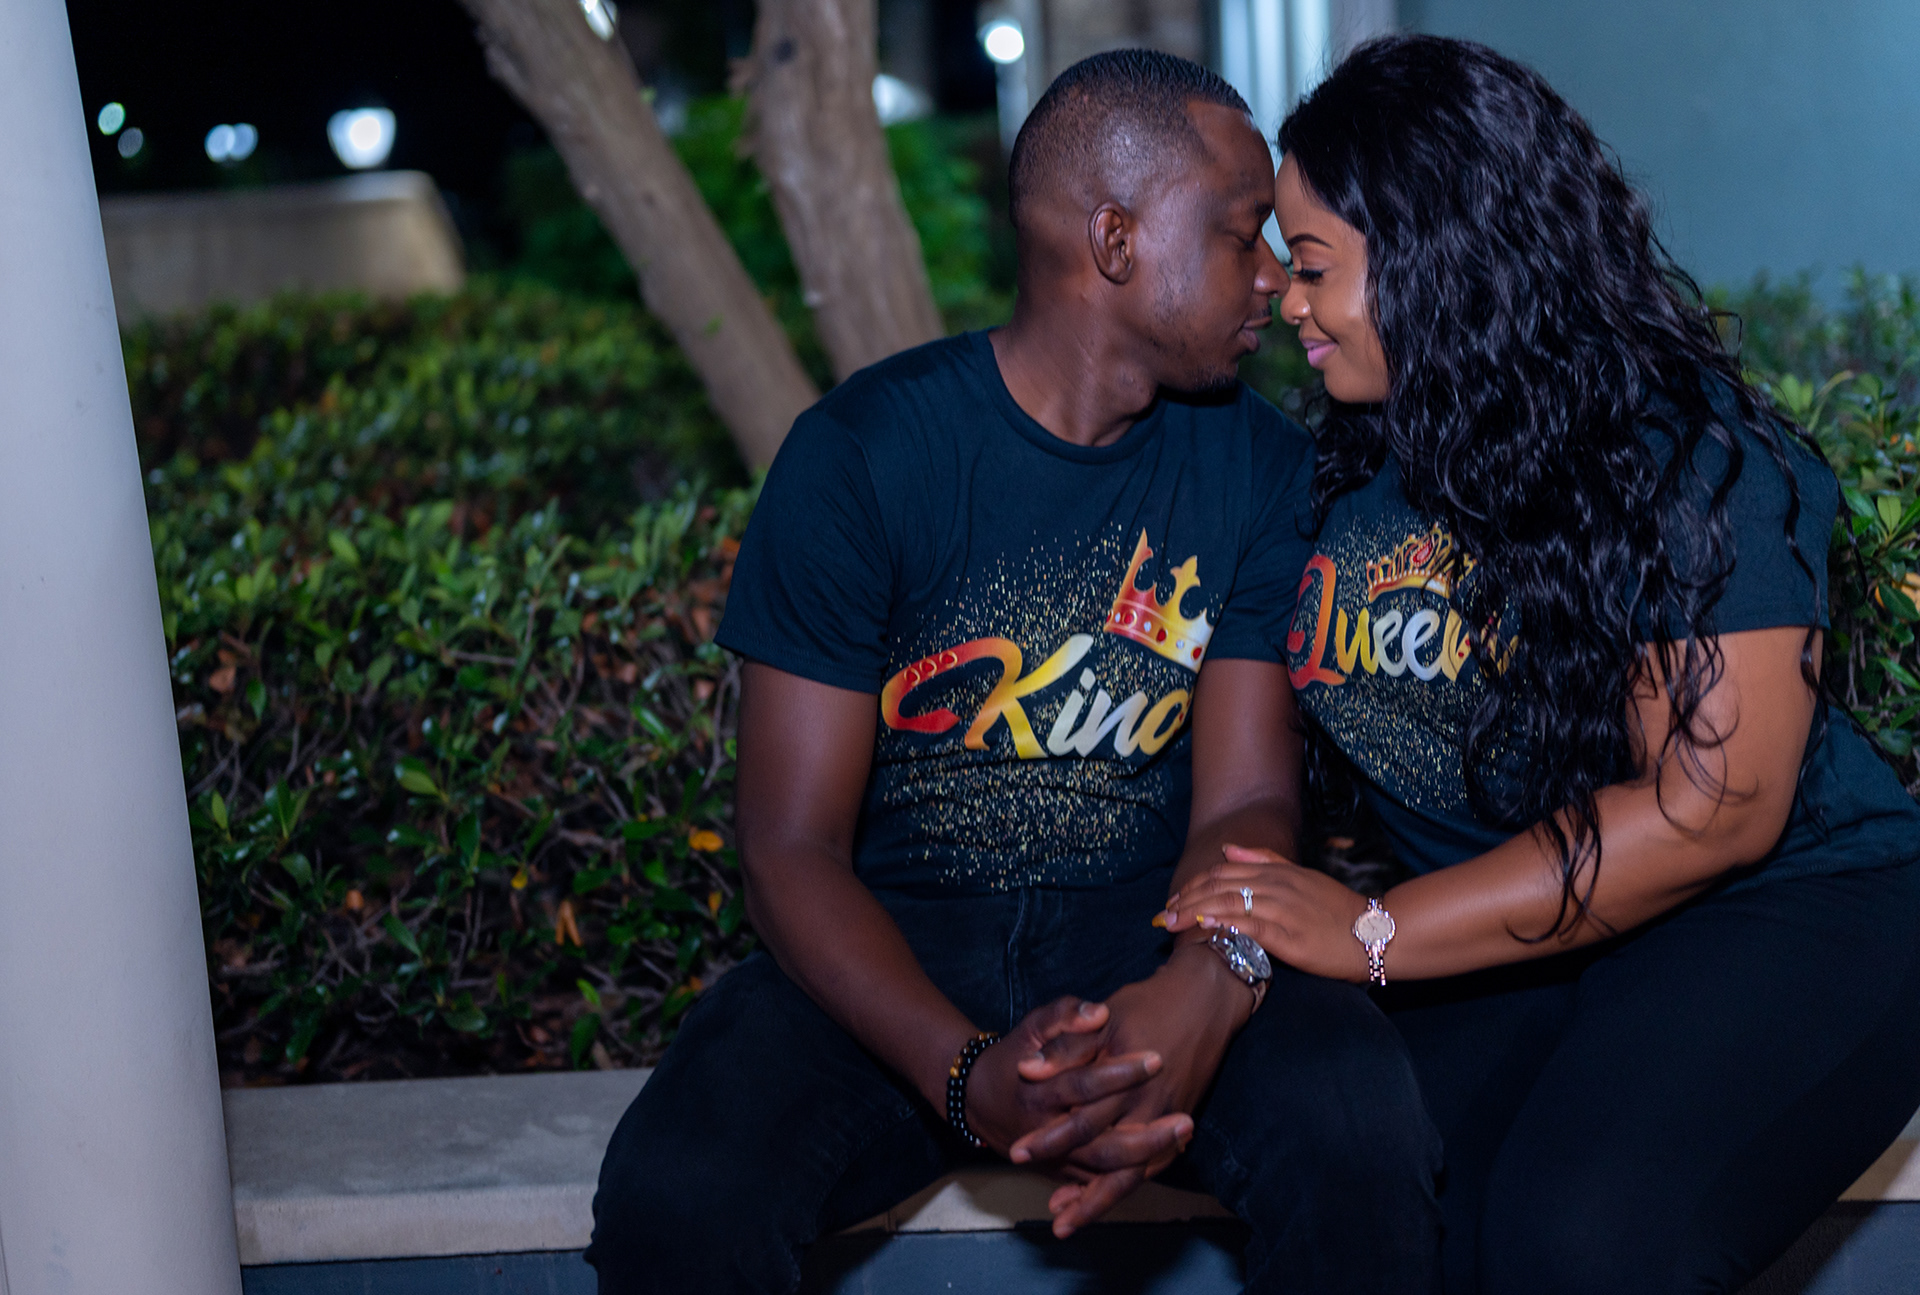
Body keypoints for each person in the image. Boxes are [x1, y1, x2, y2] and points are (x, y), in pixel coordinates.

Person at [587, 50, 1442, 1294]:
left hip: (1152, 933)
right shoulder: (864, 455)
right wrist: (962, 1072)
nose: (1273, 272)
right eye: (1240, 231)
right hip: (896, 952)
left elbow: (1251, 800)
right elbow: (788, 846)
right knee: (678, 1196)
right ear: (1115, 239)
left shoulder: (1260, 469)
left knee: (1360, 1133)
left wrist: (1201, 990)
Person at [1162, 35, 1920, 1295]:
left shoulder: (1682, 456)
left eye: (1314, 266)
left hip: (1787, 909)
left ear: (1434, 257)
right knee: (1375, 1191)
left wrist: (1377, 929)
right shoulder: (1350, 454)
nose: (1286, 300)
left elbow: (1711, 811)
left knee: (1579, 1242)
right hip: (1525, 925)